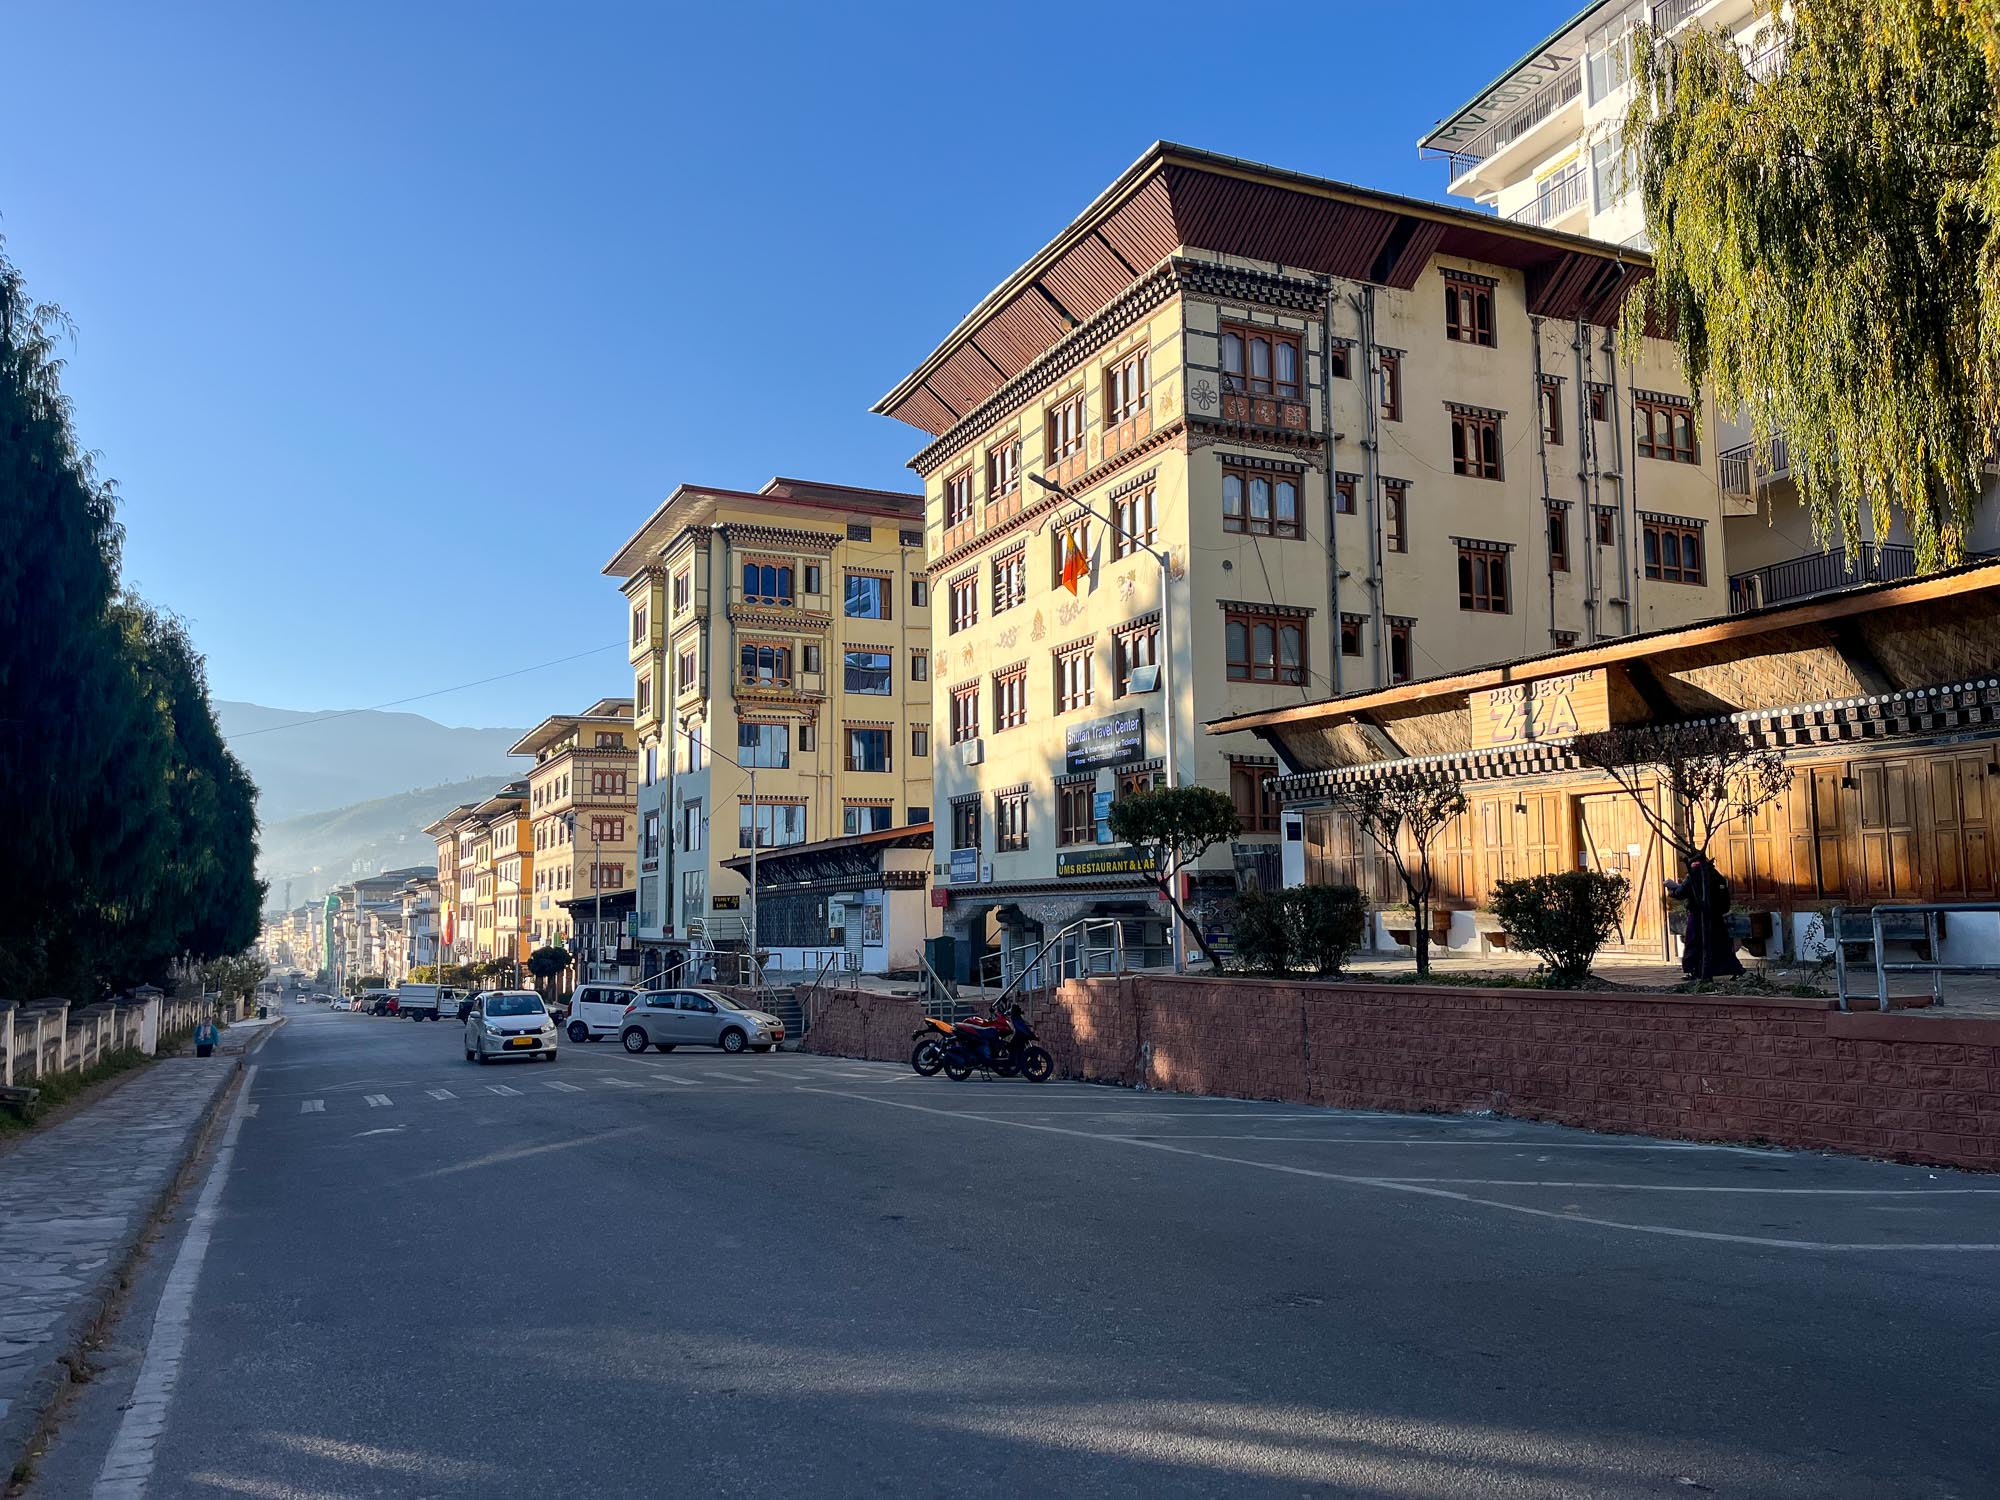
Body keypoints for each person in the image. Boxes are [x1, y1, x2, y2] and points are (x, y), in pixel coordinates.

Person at [1666, 854, 1744, 981]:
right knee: (1720, 944)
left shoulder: (1695, 874)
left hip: (1698, 916)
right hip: (1716, 917)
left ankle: (1695, 971)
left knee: (1694, 943)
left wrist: (1672, 889)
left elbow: (1681, 893)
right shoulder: (1715, 874)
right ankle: (1733, 969)